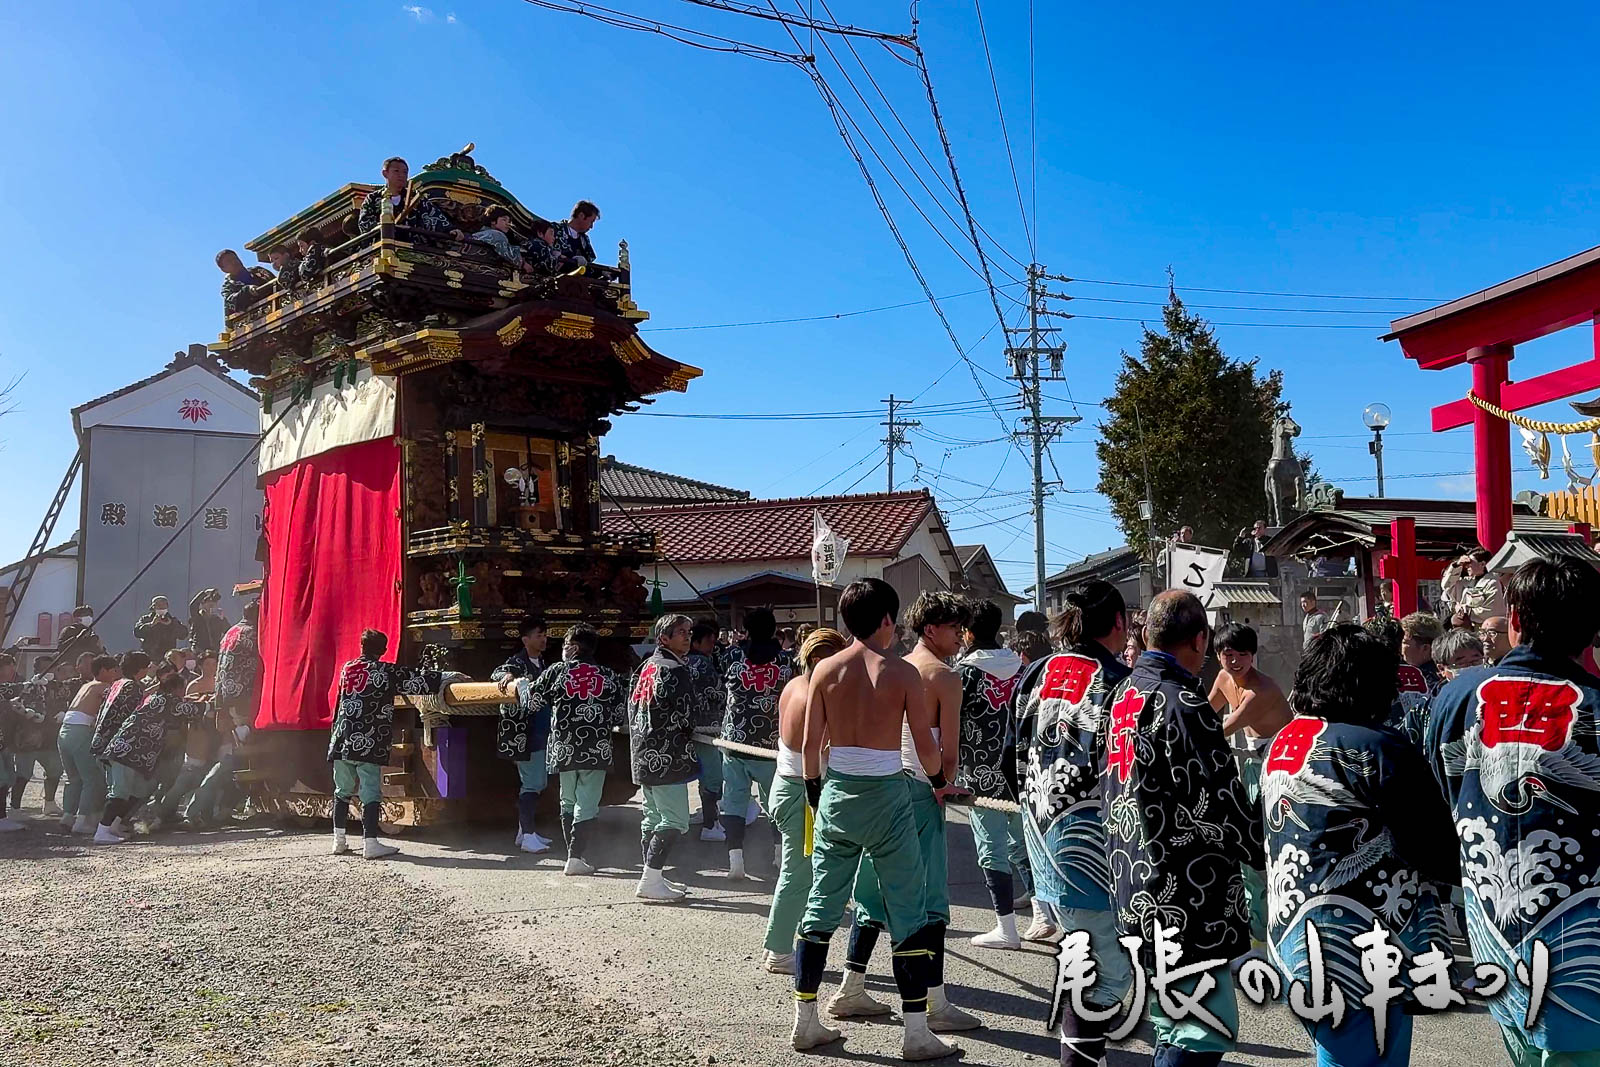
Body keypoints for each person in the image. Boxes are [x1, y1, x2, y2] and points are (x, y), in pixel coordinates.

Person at [1425, 557, 1600, 1066]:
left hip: (1492, 926)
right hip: (1584, 942)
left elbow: (1440, 795)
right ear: (1593, 629)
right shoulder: (1594, 705)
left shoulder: (1456, 696)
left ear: (1516, 620)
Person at [1266, 624, 1458, 1067]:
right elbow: (1434, 847)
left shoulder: (1286, 739)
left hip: (1294, 936)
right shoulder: (1377, 747)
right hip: (1361, 946)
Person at [789, 578, 957, 1060]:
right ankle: (916, 1032)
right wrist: (938, 781)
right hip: (889, 798)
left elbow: (810, 747)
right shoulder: (901, 672)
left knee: (821, 907)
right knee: (908, 911)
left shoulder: (825, 670)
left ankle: (805, 1021)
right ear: (885, 620)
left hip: (837, 793)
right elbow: (925, 748)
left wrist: (817, 796)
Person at [1102, 590, 1262, 1067]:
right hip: (1186, 892)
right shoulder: (1183, 702)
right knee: (1201, 1030)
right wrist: (1265, 848)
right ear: (1199, 639)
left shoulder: (1122, 693)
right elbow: (1219, 802)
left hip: (1132, 876)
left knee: (1171, 1019)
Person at [837, 590, 978, 1030]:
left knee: (872, 891)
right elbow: (948, 750)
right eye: (955, 628)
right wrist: (944, 784)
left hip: (883, 786)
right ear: (931, 628)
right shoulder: (943, 676)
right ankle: (934, 1002)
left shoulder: (894, 665)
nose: (961, 636)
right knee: (929, 898)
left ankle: (851, 986)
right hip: (921, 789)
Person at [1008, 580, 1133, 1067]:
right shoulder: (1118, 681)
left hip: (1042, 836)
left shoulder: (1035, 673)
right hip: (1094, 849)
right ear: (1119, 622)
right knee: (1108, 976)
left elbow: (1010, 757)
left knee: (1084, 956)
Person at [762, 627, 848, 975]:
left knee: (802, 873)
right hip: (802, 791)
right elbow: (819, 748)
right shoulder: (815, 694)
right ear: (816, 658)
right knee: (798, 875)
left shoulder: (794, 685)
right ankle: (779, 950)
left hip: (787, 785)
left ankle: (784, 945)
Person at [1208, 623, 1292, 955]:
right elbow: (1205, 714)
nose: (1235, 661)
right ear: (1218, 656)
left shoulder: (1262, 690)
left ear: (1253, 655)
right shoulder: (1223, 678)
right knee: (1246, 851)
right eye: (1228, 654)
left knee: (1260, 852)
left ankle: (1264, 935)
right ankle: (1256, 928)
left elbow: (1222, 728)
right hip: (1249, 766)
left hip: (1279, 768)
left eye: (1243, 654)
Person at [326, 629, 446, 859]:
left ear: (361, 646)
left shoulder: (347, 669)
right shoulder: (384, 671)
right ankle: (370, 843)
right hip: (368, 739)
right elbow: (417, 680)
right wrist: (445, 677)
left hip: (342, 737)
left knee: (341, 791)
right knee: (370, 792)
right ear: (383, 650)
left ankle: (338, 841)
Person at [518, 623, 624, 876]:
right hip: (597, 749)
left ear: (574, 647)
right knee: (587, 804)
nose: (563, 649)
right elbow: (619, 715)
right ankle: (576, 857)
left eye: (565, 645)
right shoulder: (609, 676)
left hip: (563, 748)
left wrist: (522, 687)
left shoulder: (555, 671)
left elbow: (531, 704)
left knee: (567, 801)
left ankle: (572, 856)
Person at [954, 598, 1029, 951]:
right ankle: (1044, 915)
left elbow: (951, 721)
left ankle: (1006, 927)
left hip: (980, 773)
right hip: (1021, 771)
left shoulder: (964, 673)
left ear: (968, 632)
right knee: (1023, 843)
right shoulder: (1022, 668)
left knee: (991, 849)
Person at [629, 614, 701, 901]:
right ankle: (650, 879)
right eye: (681, 632)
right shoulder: (675, 669)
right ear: (664, 638)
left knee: (652, 817)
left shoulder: (646, 666)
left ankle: (652, 876)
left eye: (688, 631)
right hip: (667, 755)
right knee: (675, 819)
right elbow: (688, 715)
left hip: (642, 751)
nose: (687, 636)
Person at [96, 665, 210, 844]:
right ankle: (102, 831)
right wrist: (211, 702)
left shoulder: (156, 698)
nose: (183, 693)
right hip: (125, 752)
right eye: (182, 689)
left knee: (140, 790)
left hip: (134, 755)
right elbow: (192, 709)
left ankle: (114, 825)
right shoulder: (166, 700)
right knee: (120, 792)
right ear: (176, 689)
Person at [719, 606, 792, 880]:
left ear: (747, 630)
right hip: (771, 744)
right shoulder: (786, 661)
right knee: (776, 801)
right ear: (774, 630)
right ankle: (779, 856)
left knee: (734, 801)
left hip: (735, 741)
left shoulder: (732, 656)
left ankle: (735, 862)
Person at [187, 601, 260, 826]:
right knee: (233, 760)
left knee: (235, 759)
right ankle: (196, 809)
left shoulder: (231, 632)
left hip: (227, 701)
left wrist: (220, 706)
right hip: (244, 703)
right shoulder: (254, 633)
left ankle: (216, 809)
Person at [492, 618, 553, 854]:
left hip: (540, 731)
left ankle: (523, 832)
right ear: (525, 640)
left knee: (537, 783)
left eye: (545, 635)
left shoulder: (543, 663)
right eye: (539, 635)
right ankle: (528, 835)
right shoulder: (516, 662)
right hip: (524, 733)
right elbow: (498, 673)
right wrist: (509, 676)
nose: (544, 639)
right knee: (532, 784)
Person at [58, 654, 119, 834]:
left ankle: (68, 816)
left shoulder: (86, 686)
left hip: (64, 731)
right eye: (114, 670)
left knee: (73, 778)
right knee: (91, 778)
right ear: (104, 671)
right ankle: (82, 820)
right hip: (81, 731)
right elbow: (120, 701)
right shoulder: (104, 687)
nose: (116, 674)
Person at [684, 619, 726, 843]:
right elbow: (718, 693)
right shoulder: (702, 663)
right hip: (706, 728)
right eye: (709, 641)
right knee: (712, 777)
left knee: (694, 776)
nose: (712, 646)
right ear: (696, 642)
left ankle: (703, 816)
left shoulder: (679, 661)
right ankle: (711, 824)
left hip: (681, 728)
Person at [357, 156, 463, 237]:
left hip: (412, 247)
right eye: (396, 171)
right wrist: (387, 227)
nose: (401, 175)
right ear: (385, 173)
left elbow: (433, 217)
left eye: (405, 172)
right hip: (382, 246)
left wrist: (450, 229)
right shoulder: (373, 198)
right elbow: (364, 223)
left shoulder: (415, 198)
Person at [0, 653, 46, 831]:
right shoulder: (9, 687)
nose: (12, 669)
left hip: (5, 740)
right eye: (8, 666)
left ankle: (3, 816)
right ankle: (1, 818)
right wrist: (28, 685)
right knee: (2, 779)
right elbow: (8, 690)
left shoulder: (10, 685)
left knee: (8, 778)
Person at [1441, 545, 1506, 626]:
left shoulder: (1492, 583)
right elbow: (1447, 586)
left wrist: (1464, 610)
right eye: (1466, 563)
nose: (1466, 566)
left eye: (1470, 562)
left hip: (1484, 629)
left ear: (1482, 564)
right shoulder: (1467, 582)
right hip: (1467, 629)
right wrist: (1456, 565)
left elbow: (1491, 611)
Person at [215, 250, 275, 315]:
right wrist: (247, 291)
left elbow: (276, 283)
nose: (234, 262)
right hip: (255, 318)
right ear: (223, 269)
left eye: (234, 258)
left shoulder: (258, 271)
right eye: (229, 261)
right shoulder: (228, 287)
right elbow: (232, 302)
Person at [557, 200, 601, 269]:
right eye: (591, 222)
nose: (591, 226)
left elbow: (589, 263)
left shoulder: (584, 240)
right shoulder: (556, 230)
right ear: (581, 216)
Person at [187, 589, 228, 655]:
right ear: (203, 605)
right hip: (199, 651)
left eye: (214, 603)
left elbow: (228, 631)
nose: (211, 605)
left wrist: (223, 619)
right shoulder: (198, 617)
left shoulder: (218, 619)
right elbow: (193, 606)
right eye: (208, 602)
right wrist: (205, 593)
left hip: (214, 651)